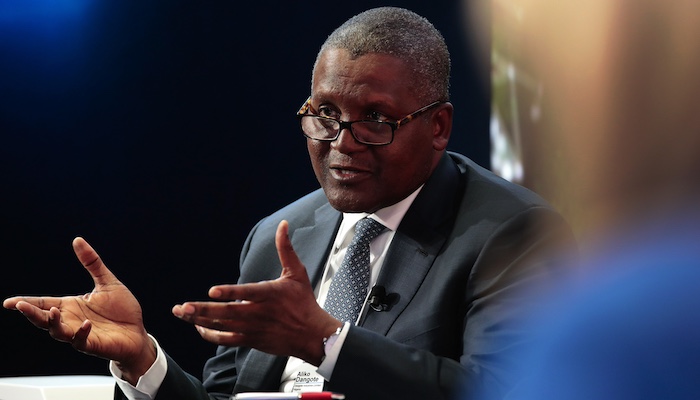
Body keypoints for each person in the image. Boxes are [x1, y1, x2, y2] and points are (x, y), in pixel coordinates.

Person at [3, 7, 574, 400]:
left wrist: (324, 341)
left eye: (375, 118)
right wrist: (143, 362)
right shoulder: (279, 233)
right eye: (324, 114)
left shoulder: (512, 233)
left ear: (439, 126)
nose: (342, 143)